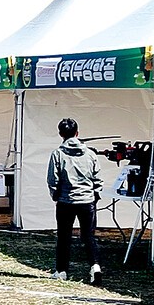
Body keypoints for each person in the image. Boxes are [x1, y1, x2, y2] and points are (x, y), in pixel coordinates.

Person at [47, 118, 102, 284]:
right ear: (77, 133)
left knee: (64, 237)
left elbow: (52, 179)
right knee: (88, 236)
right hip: (87, 201)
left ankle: (61, 270)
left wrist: (56, 196)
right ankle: (95, 267)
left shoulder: (57, 154)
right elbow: (97, 178)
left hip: (66, 201)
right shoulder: (90, 154)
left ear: (60, 134)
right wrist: (95, 195)